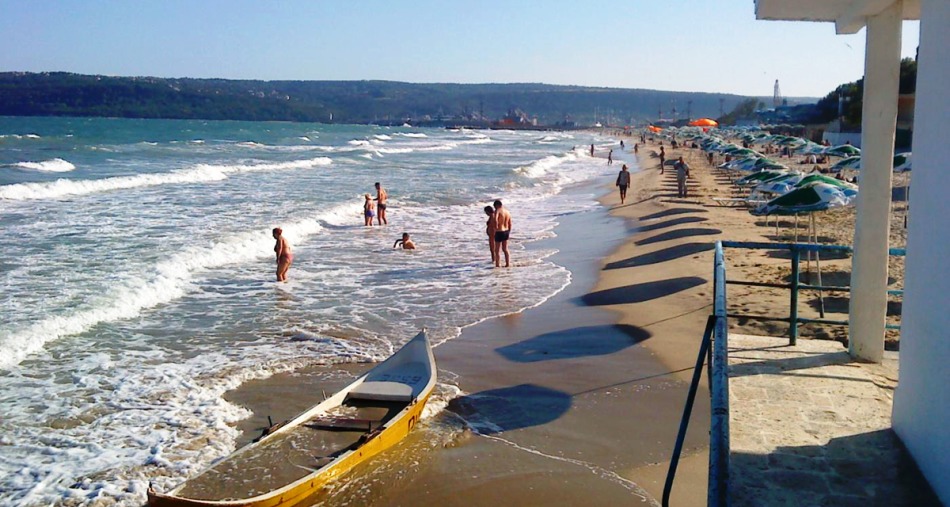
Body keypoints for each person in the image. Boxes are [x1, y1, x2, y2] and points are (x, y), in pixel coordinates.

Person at [492, 200, 512, 268]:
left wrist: (496, 227)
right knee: (505, 249)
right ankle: (507, 263)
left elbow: (495, 219)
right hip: (506, 231)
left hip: (499, 231)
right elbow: (510, 223)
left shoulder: (498, 210)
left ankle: (497, 265)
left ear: (497, 205)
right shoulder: (507, 212)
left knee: (497, 250)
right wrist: (509, 231)